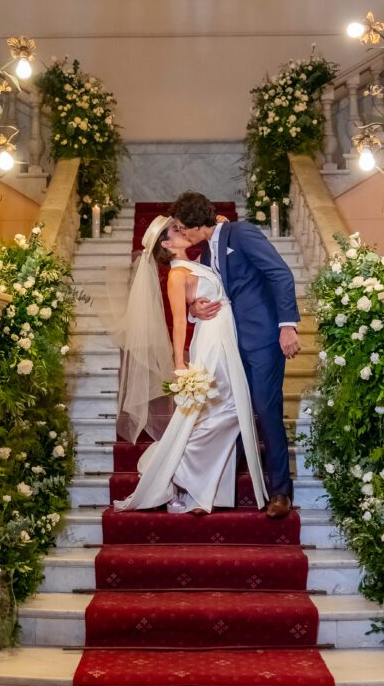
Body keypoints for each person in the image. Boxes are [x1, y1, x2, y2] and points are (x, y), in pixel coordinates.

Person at [113, 215, 267, 515]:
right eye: (174, 230)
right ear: (167, 245)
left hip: (226, 336)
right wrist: (180, 363)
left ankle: (198, 490)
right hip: (212, 344)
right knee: (231, 408)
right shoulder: (175, 275)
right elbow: (179, 322)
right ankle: (178, 471)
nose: (181, 230)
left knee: (221, 411)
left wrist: (219, 221)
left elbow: (209, 292)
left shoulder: (198, 261)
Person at [170, 192, 300, 519]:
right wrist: (194, 308)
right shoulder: (205, 253)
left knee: (266, 410)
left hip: (262, 339)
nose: (182, 233)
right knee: (229, 411)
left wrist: (287, 326)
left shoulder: (240, 234)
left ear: (200, 225)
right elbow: (209, 293)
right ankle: (212, 487)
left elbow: (280, 274)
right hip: (229, 343)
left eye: (185, 228)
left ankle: (281, 492)